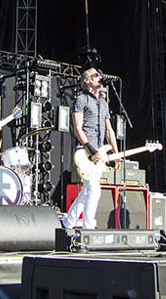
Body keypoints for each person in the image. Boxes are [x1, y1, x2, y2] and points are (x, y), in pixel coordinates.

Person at [62, 67, 120, 229]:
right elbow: (77, 128)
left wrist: (115, 154)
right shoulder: (81, 100)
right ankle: (88, 229)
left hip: (99, 153)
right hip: (86, 152)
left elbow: (109, 131)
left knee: (86, 191)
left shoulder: (103, 103)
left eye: (100, 75)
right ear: (86, 80)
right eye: (95, 75)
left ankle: (67, 223)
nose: (99, 77)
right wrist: (91, 150)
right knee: (94, 190)